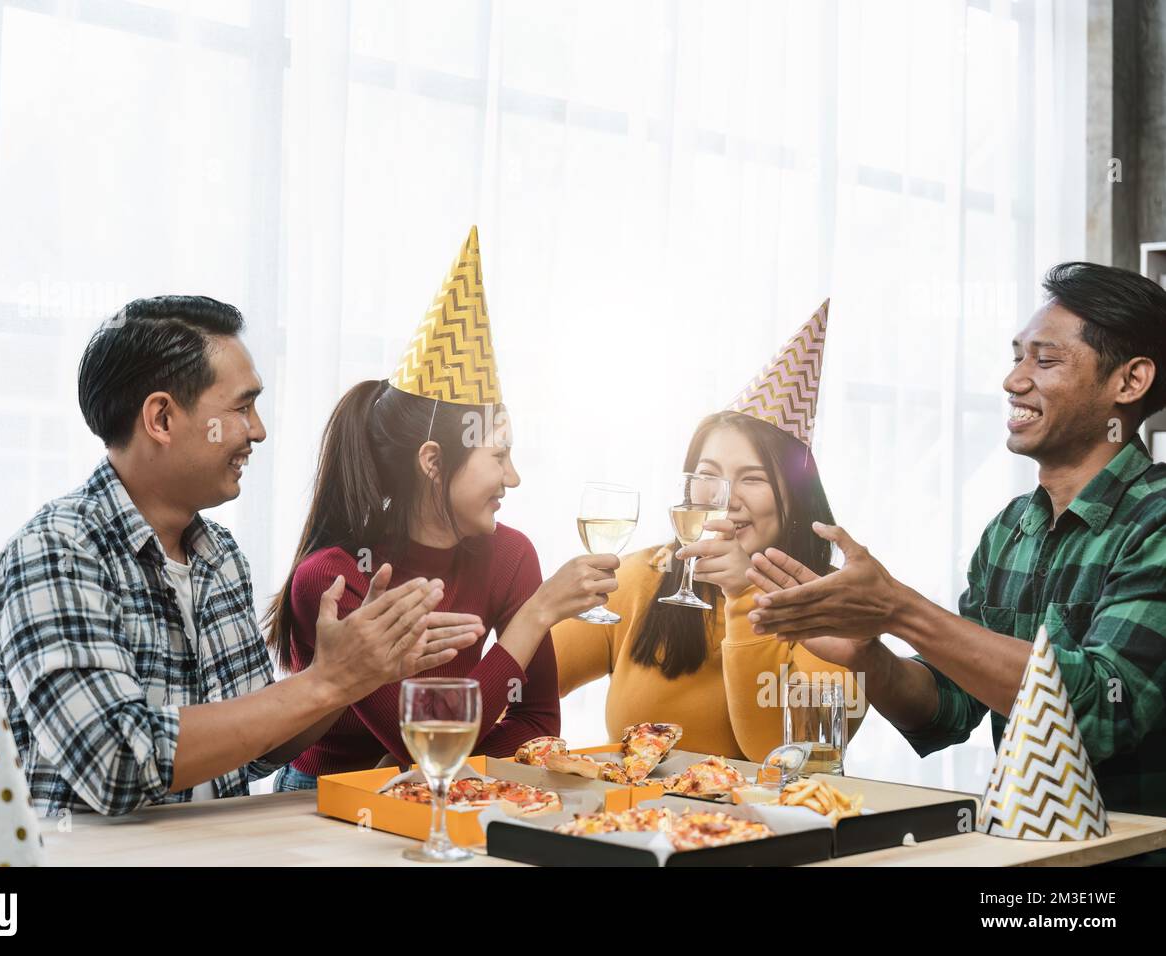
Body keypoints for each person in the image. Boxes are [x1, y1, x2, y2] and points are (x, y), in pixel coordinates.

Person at [0, 295, 471, 816]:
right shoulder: (56, 551)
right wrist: (329, 680)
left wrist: (353, 675)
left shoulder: (220, 557)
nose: (256, 430)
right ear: (162, 419)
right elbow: (116, 762)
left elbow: (261, 749)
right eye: (241, 407)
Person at [747, 262, 1166, 828]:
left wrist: (900, 609)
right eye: (1017, 356)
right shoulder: (1008, 530)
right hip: (1024, 850)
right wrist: (868, 655)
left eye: (1044, 360)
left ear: (1130, 382)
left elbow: (1100, 712)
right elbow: (948, 710)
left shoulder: (1156, 518)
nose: (1014, 379)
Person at [268, 228, 619, 788]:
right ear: (432, 461)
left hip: (451, 789)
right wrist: (534, 616)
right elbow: (422, 735)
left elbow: (538, 722)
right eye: (498, 456)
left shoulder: (509, 554)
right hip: (320, 799)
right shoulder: (332, 579)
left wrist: (439, 767)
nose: (514, 477)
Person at [554, 303, 865, 760]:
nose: (724, 499)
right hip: (635, 822)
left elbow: (781, 759)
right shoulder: (643, 575)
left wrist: (744, 594)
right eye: (708, 475)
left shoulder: (838, 605)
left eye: (753, 479)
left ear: (793, 500)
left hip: (767, 827)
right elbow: (523, 684)